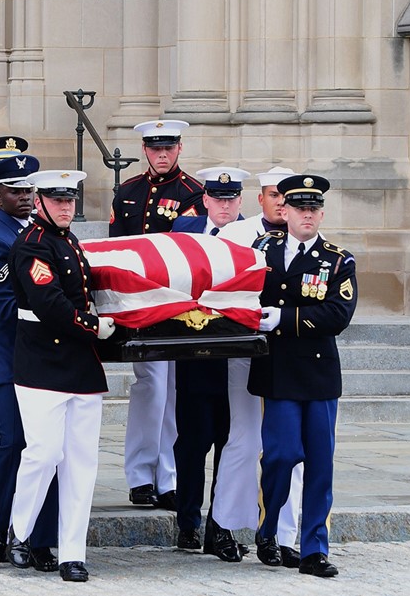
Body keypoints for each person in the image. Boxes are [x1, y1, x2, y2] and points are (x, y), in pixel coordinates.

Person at [8, 169, 114, 583]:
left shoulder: (69, 241)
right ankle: (19, 533)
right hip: (42, 364)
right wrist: (95, 327)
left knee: (82, 463)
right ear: (40, 202)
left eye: (70, 201)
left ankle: (73, 552)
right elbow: (49, 303)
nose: (66, 207)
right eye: (58, 201)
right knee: (43, 453)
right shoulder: (31, 246)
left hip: (81, 366)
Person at [249, 174, 357, 578]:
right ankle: (269, 527)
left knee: (319, 463)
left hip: (317, 373)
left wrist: (285, 318)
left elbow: (337, 315)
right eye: (299, 208)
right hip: (276, 371)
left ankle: (313, 549)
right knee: (280, 455)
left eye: (314, 209)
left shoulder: (338, 260)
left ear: (321, 214)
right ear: (286, 212)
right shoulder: (264, 251)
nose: (307, 215)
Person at [110, 119, 206, 510]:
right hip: (140, 305)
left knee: (173, 394)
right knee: (150, 391)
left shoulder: (194, 193)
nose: (161, 155)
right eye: (154, 148)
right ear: (146, 150)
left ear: (180, 148)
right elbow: (118, 250)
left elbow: (194, 251)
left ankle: (167, 478)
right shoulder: (128, 191)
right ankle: (140, 476)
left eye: (168, 148)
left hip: (179, 303)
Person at [0, 146, 58, 567]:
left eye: (30, 189)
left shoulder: (44, 234)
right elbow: (2, 307)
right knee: (13, 444)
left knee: (44, 447)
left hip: (41, 358)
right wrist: (52, 308)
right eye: (14, 190)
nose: (24, 196)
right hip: (7, 357)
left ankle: (39, 538)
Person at [216, 165, 306, 566]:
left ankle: (282, 533)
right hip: (245, 350)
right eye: (275, 195)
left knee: (289, 447)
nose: (282, 203)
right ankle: (225, 524)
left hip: (289, 352)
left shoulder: (304, 240)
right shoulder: (236, 234)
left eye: (289, 198)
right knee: (245, 439)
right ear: (262, 198)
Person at [169, 167, 251, 561]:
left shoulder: (253, 238)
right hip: (195, 353)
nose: (225, 206)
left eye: (231, 199)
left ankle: (220, 527)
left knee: (231, 445)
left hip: (238, 358)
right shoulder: (184, 231)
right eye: (218, 199)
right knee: (192, 444)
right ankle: (188, 521)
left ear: (240, 201)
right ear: (205, 201)